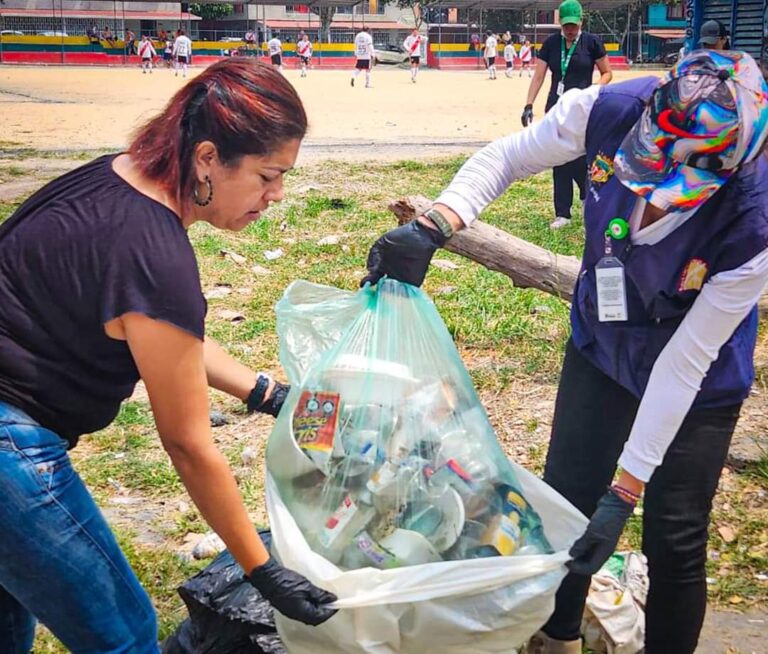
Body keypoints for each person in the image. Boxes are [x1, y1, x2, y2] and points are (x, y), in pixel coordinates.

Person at [361, 49, 768, 654]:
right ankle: (556, 639)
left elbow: (686, 361)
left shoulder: (755, 219)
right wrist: (436, 224)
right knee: (568, 500)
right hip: (602, 339)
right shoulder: (607, 108)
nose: (652, 194)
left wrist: (627, 491)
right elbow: (506, 156)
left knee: (675, 534)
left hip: (698, 374)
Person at [0, 59, 338, 652]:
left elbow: (164, 334)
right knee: (125, 633)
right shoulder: (155, 254)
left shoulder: (112, 180)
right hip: (9, 447)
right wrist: (263, 569)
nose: (276, 195)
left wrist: (269, 395)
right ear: (207, 157)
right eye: (267, 175)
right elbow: (188, 442)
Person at [522, 0, 612, 230]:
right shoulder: (552, 44)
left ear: (581, 21)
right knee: (558, 157)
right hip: (556, 108)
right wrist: (529, 104)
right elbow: (539, 76)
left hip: (583, 108)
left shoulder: (591, 42)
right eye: (565, 25)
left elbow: (607, 73)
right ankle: (563, 213)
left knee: (582, 156)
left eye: (573, 25)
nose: (570, 29)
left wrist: (593, 90)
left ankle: (586, 198)